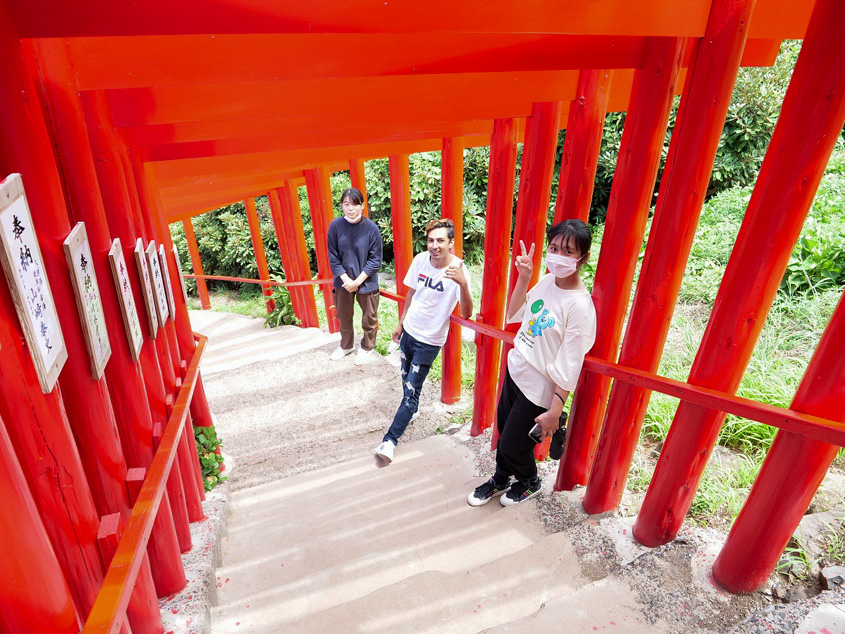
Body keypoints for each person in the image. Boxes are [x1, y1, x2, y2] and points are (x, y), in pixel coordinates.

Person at [467, 219, 596, 506]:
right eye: (554, 248)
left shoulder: (580, 306)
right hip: (516, 371)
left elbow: (571, 362)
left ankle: (529, 481)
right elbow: (515, 315)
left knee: (515, 444)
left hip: (539, 389)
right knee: (504, 432)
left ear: (583, 258)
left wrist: (556, 409)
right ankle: (501, 478)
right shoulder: (548, 280)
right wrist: (524, 278)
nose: (558, 256)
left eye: (568, 252)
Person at [374, 218, 473, 464]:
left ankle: (390, 440)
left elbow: (468, 312)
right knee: (405, 377)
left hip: (429, 340)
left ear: (451, 242)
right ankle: (413, 410)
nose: (434, 245)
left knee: (410, 392)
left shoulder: (459, 269)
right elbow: (412, 293)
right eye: (431, 240)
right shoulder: (420, 260)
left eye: (440, 240)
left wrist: (462, 284)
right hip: (410, 330)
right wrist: (400, 322)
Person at [327, 187, 383, 365]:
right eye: (346, 204)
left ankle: (367, 347)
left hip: (366, 281)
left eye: (355, 204)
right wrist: (346, 280)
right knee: (343, 315)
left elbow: (375, 260)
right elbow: (333, 256)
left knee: (369, 317)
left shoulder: (371, 228)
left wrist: (357, 282)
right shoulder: (335, 226)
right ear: (342, 206)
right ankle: (346, 345)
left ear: (362, 206)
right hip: (343, 281)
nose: (350, 208)